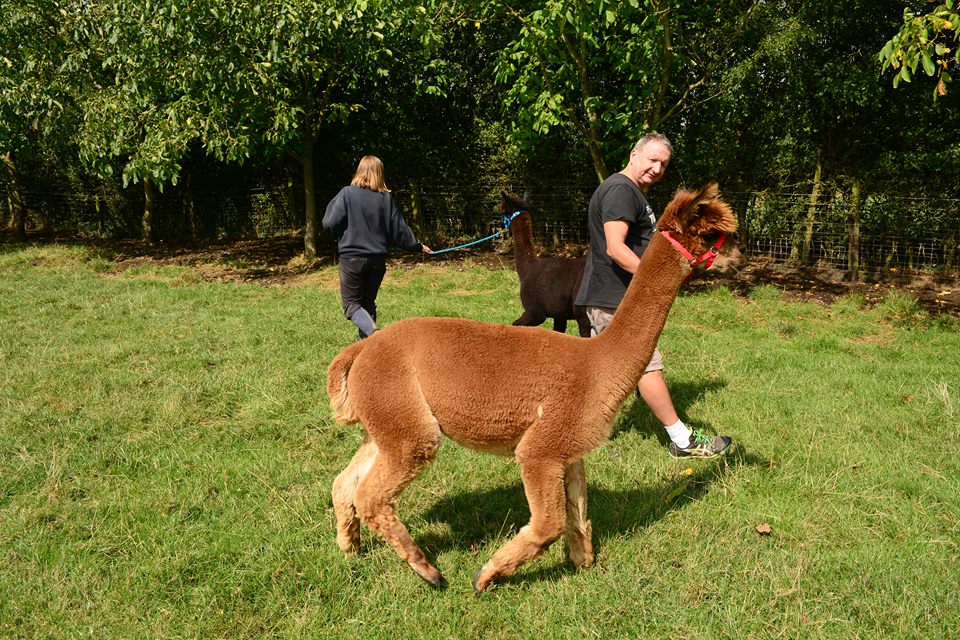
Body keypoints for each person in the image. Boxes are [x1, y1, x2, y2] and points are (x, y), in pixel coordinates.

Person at [574, 133, 731, 458]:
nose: (657, 168)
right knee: (646, 364)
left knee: (613, 368)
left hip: (618, 294)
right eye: (652, 159)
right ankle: (682, 439)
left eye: (663, 164)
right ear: (634, 154)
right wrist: (656, 281)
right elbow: (615, 248)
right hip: (613, 296)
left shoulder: (631, 192)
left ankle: (577, 429)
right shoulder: (620, 190)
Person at [322, 155, 432, 339]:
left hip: (352, 259)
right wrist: (417, 246)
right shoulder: (385, 198)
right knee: (367, 304)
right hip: (378, 261)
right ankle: (369, 350)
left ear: (359, 171)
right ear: (380, 174)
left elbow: (329, 222)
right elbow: (399, 229)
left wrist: (341, 234)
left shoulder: (347, 194)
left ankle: (374, 335)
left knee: (351, 306)